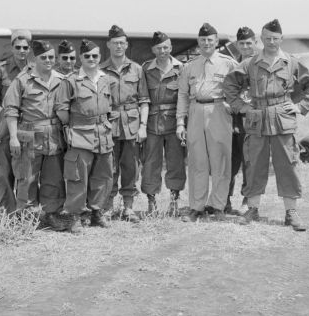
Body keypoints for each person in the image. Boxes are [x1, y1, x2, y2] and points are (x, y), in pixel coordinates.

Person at [224, 19, 309, 231]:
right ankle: (252, 209)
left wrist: (300, 106)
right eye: (267, 38)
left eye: (275, 38)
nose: (271, 42)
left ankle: (291, 212)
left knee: (287, 165)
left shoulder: (291, 62)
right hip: (257, 118)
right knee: (255, 164)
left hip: (282, 117)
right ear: (261, 39)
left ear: (281, 39)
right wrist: (241, 107)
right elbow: (230, 84)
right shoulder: (250, 63)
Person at [176, 22, 238, 222]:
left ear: (216, 41)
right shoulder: (190, 66)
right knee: (197, 161)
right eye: (202, 40)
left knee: (220, 160)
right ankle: (197, 206)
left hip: (219, 110)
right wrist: (180, 121)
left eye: (210, 40)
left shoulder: (228, 64)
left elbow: (242, 86)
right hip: (195, 111)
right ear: (198, 42)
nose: (206, 43)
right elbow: (183, 95)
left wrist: (234, 105)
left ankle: (218, 205)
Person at [3, 40, 67, 229]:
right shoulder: (22, 80)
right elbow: (11, 110)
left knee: (53, 177)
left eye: (51, 57)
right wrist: (13, 137)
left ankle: (52, 214)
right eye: (44, 57)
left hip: (54, 134)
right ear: (35, 59)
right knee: (27, 178)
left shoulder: (61, 80)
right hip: (28, 134)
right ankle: (27, 217)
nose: (48, 61)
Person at [55, 39, 116, 234]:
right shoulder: (71, 81)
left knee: (103, 175)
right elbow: (62, 110)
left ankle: (97, 212)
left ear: (100, 57)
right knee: (78, 178)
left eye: (95, 56)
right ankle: (75, 216)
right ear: (80, 58)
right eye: (87, 56)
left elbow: (110, 107)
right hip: (80, 134)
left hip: (103, 134)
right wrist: (73, 127)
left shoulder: (106, 79)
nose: (91, 59)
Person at [100, 25, 150, 222]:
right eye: (115, 43)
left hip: (131, 124)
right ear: (108, 45)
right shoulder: (101, 70)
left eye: (122, 43)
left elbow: (144, 100)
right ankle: (108, 206)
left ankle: (128, 207)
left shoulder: (137, 69)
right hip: (109, 123)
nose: (118, 46)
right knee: (109, 167)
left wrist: (143, 126)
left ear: (127, 45)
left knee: (131, 167)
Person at [140, 31, 186, 215]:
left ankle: (174, 201)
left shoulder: (181, 68)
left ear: (171, 48)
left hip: (175, 121)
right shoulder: (145, 69)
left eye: (166, 47)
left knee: (176, 162)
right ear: (153, 49)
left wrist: (182, 122)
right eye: (159, 48)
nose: (163, 51)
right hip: (152, 122)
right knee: (151, 163)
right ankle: (151, 202)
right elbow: (143, 96)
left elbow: (184, 96)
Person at [0, 29, 32, 214]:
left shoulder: (34, 69)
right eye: (18, 47)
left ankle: (24, 211)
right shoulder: (1, 70)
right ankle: (7, 213)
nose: (22, 50)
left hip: (27, 123)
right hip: (5, 125)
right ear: (12, 48)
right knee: (4, 172)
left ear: (29, 49)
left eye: (25, 47)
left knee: (26, 171)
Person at [225, 26, 259, 215]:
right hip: (232, 117)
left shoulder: (261, 62)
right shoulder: (231, 63)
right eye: (242, 43)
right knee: (230, 160)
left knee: (250, 160)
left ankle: (248, 200)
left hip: (253, 118)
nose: (245, 46)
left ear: (255, 43)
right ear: (236, 45)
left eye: (249, 43)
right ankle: (226, 199)